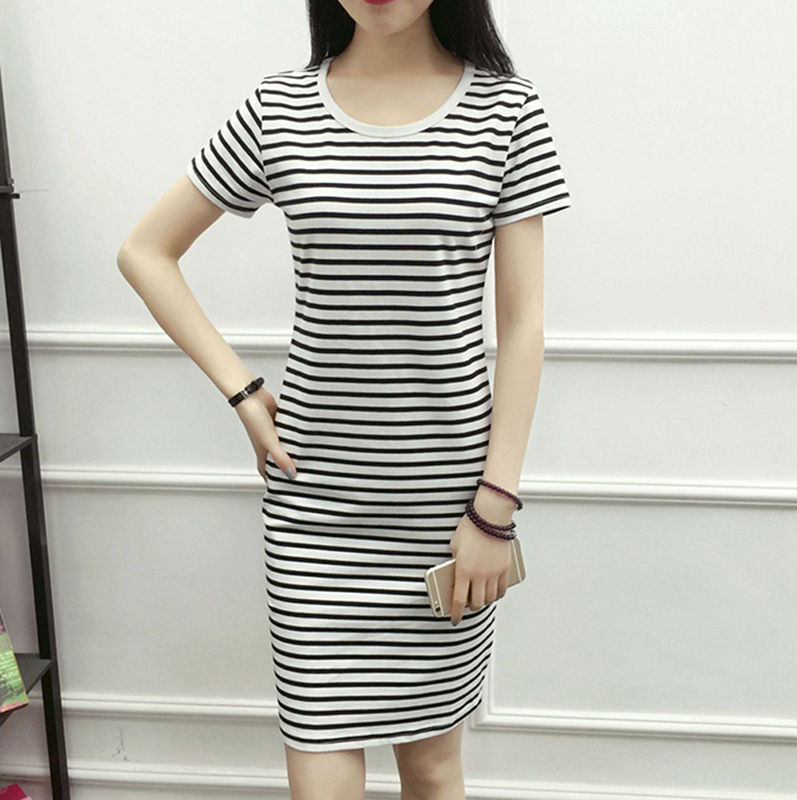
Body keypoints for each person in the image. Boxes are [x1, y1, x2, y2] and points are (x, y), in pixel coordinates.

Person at [117, 0, 572, 796]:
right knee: (318, 757)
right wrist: (243, 391)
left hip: (447, 510)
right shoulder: (281, 109)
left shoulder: (507, 111)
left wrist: (494, 508)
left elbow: (524, 325)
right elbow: (145, 251)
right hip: (314, 509)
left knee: (432, 765)